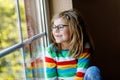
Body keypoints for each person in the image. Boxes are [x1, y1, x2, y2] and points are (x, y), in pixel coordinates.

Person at [45, 9, 101, 80]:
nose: (55, 30)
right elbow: (51, 78)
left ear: (74, 29)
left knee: (93, 70)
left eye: (61, 27)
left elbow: (81, 74)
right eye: (54, 27)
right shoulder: (51, 50)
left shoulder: (83, 47)